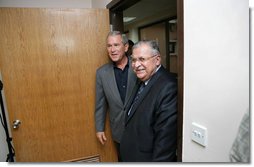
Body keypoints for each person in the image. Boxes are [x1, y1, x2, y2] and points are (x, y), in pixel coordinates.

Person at [120, 40, 178, 162]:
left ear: (157, 60)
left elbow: (165, 141)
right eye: (134, 60)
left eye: (142, 59)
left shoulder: (168, 86)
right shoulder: (142, 78)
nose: (136, 65)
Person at [94, 31, 137, 161]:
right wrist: (99, 128)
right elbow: (100, 103)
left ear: (125, 47)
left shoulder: (138, 65)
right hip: (118, 129)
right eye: (109, 46)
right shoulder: (101, 73)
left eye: (116, 45)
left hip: (141, 127)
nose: (112, 50)